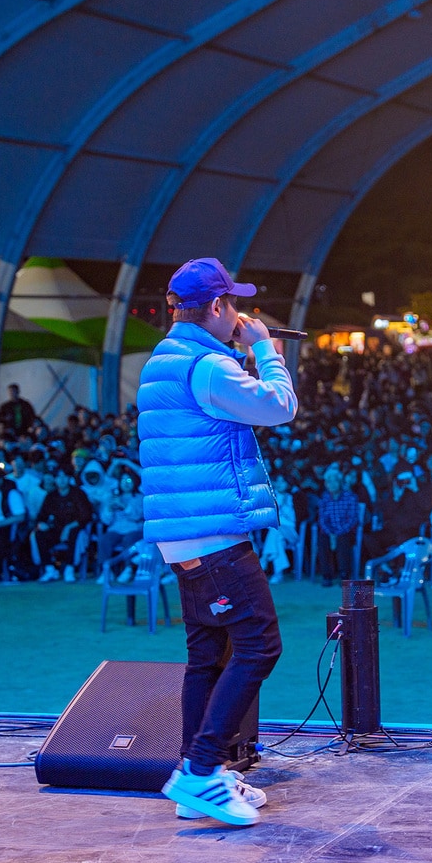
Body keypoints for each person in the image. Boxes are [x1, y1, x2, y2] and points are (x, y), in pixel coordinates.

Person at [139, 256, 297, 827]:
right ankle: (202, 771)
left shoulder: (165, 360)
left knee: (207, 656)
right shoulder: (207, 366)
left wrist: (243, 352)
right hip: (213, 535)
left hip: (183, 537)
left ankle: (194, 774)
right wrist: (267, 351)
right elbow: (279, 407)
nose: (239, 316)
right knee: (260, 645)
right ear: (215, 305)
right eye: (234, 305)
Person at [33, 466, 94, 582]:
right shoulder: (51, 496)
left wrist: (69, 527)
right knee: (39, 534)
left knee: (75, 534)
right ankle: (50, 569)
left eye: (64, 477)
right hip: (57, 529)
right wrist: (41, 523)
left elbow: (86, 516)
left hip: (75, 527)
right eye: (59, 477)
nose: (62, 480)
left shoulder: (78, 493)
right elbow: (41, 515)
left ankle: (70, 568)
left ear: (69, 478)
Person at [314, 466, 360, 586]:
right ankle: (326, 575)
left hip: (345, 531)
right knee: (322, 540)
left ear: (340, 482)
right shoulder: (324, 498)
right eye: (329, 482)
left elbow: (352, 519)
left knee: (343, 539)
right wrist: (330, 533)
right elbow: (322, 519)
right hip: (329, 531)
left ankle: (344, 574)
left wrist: (338, 533)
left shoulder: (350, 497)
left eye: (335, 481)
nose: (332, 484)